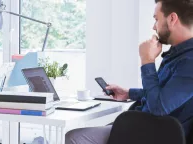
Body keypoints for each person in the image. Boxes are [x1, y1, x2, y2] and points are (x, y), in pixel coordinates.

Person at [66, 0, 193, 143]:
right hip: (143, 128)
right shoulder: (177, 54)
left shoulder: (189, 61)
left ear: (172, 19)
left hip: (153, 135)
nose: (153, 27)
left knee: (74, 137)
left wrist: (147, 60)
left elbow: (159, 107)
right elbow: (163, 94)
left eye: (156, 19)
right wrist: (128, 93)